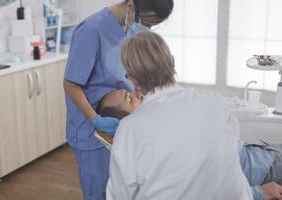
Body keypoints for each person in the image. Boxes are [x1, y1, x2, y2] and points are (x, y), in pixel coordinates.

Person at [106, 31, 253, 199]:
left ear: (133, 79)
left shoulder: (129, 130)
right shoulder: (215, 103)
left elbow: (119, 195)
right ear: (173, 62)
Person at [63, 0, 174, 199]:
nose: (147, 28)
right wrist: (95, 119)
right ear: (131, 6)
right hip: (91, 129)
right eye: (146, 22)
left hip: (122, 126)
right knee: (99, 192)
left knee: (122, 190)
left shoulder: (130, 30)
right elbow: (71, 84)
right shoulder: (91, 31)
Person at [97, 89, 282, 200]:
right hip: (261, 170)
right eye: (130, 99)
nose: (138, 94)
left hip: (260, 153)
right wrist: (259, 193)